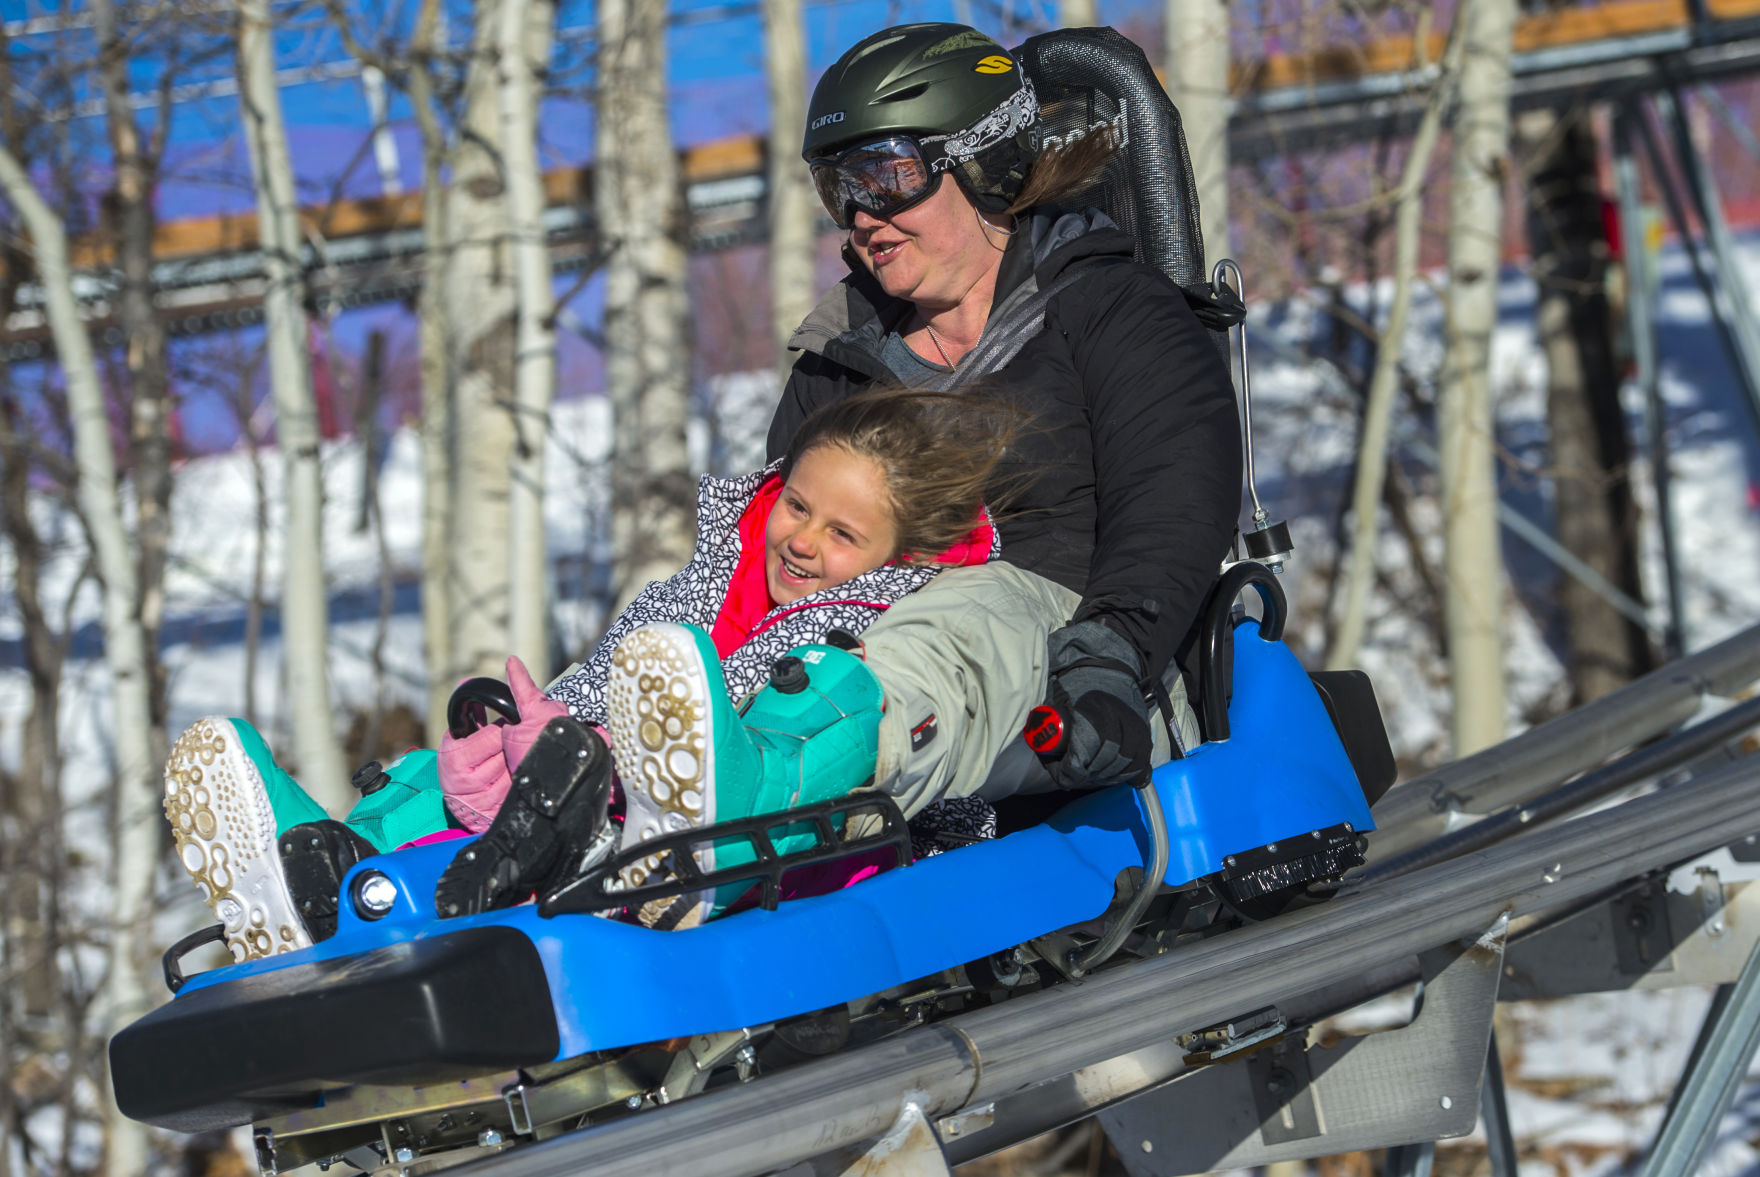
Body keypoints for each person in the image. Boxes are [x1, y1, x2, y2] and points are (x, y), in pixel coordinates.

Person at [592, 20, 1243, 883]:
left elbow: (1175, 502)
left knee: (952, 621)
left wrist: (1109, 653)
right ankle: (538, 792)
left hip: (1083, 671)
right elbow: (770, 553)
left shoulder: (1114, 313)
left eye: (889, 175)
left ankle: (765, 788)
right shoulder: (841, 361)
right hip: (839, 638)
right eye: (840, 188)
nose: (863, 214)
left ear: (984, 162)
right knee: (668, 623)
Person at [161, 388, 1018, 963]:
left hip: (813, 847)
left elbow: (907, 752)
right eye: (797, 505)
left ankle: (646, 831)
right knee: (453, 764)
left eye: (842, 534)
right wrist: (526, 736)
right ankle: (332, 876)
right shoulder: (691, 596)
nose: (802, 539)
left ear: (894, 553)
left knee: (819, 702)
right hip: (613, 812)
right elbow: (593, 687)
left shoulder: (888, 619)